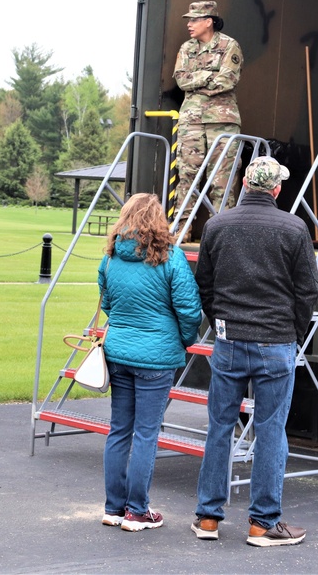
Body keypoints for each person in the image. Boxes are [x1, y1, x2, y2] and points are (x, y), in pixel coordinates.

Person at [191, 156, 318, 547]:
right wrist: (293, 333)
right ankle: (262, 524)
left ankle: (208, 519)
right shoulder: (295, 228)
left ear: (245, 182)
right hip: (276, 341)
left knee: (219, 428)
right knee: (270, 432)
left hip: (229, 340)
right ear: (277, 189)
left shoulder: (216, 226)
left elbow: (205, 285)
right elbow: (307, 291)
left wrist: (220, 324)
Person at [98, 193, 202, 531]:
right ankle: (137, 510)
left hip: (119, 352)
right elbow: (189, 311)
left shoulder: (111, 259)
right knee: (145, 434)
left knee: (119, 431)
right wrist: (184, 339)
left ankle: (114, 507)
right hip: (157, 356)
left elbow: (108, 304)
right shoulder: (171, 259)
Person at [173, 0, 243, 237]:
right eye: (189, 20)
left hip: (221, 122)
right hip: (191, 122)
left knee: (222, 181)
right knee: (187, 177)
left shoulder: (229, 46)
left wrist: (198, 81)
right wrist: (207, 75)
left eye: (194, 19)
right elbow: (181, 80)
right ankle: (181, 232)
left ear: (208, 21)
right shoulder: (186, 48)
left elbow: (227, 81)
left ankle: (221, 236)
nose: (189, 24)